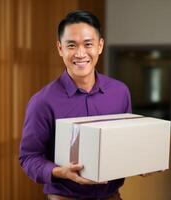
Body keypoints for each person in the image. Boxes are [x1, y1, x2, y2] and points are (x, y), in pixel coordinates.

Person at [19, 10, 132, 200]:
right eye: (71, 45)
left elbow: (126, 144)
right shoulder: (42, 101)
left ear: (100, 46)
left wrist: (142, 162)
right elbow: (29, 158)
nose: (80, 53)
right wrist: (59, 171)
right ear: (60, 48)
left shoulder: (120, 92)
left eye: (88, 44)